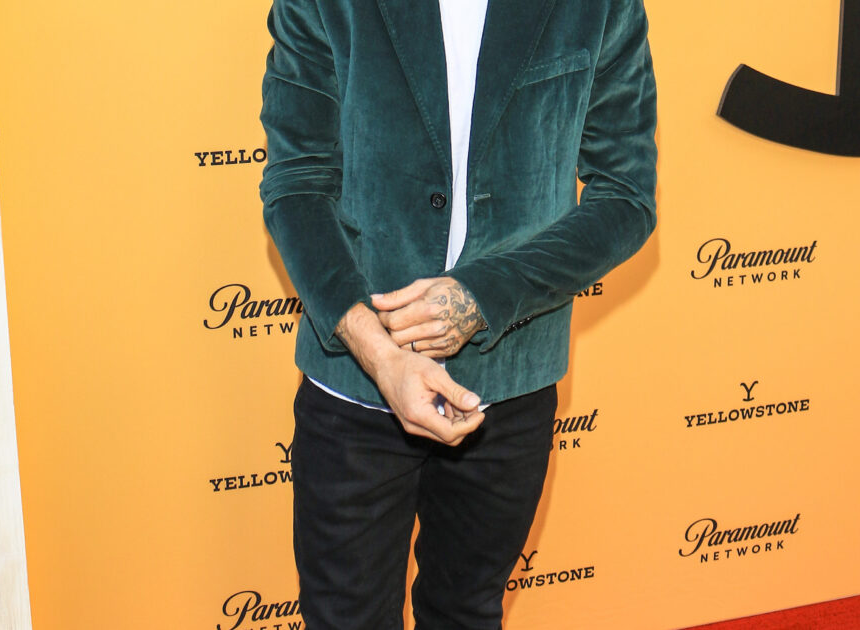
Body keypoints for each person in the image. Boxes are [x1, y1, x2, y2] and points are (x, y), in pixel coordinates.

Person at [259, 0, 657, 627]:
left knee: (467, 614)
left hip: (510, 383)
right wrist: (379, 354)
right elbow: (297, 183)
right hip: (355, 382)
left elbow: (627, 197)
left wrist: (485, 296)